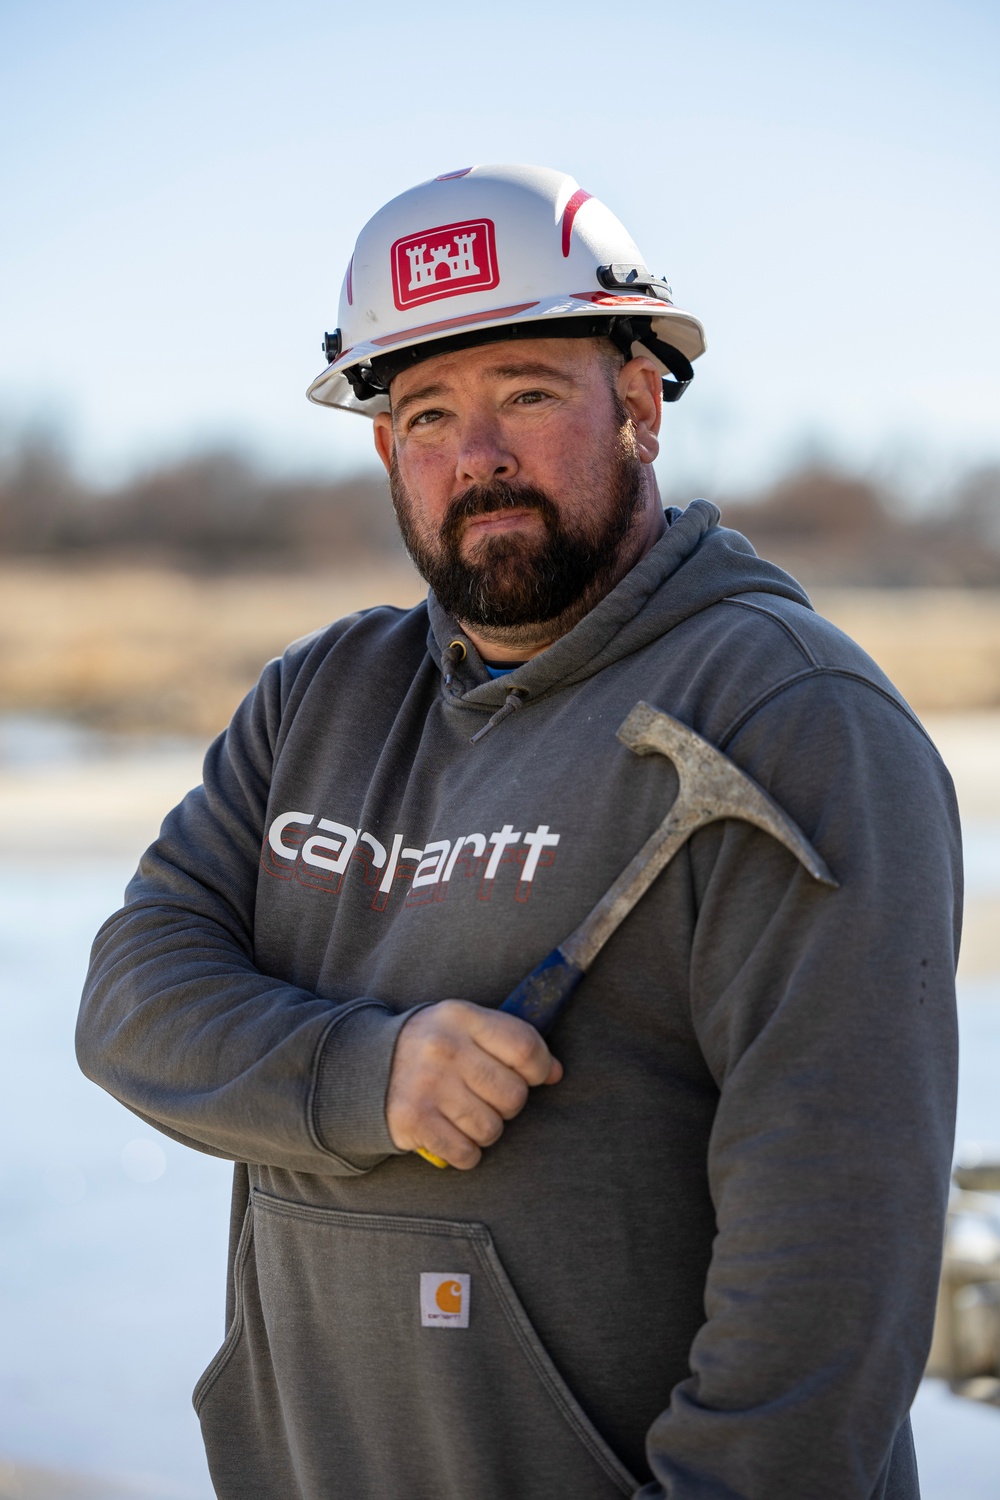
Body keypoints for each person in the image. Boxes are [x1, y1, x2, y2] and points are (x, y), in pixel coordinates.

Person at [77, 164, 961, 1499]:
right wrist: (370, 1078)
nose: (475, 454)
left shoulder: (791, 715)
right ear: (386, 450)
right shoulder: (322, 700)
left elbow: (836, 1262)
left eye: (529, 396)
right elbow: (133, 1005)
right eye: (427, 412)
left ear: (645, 405)